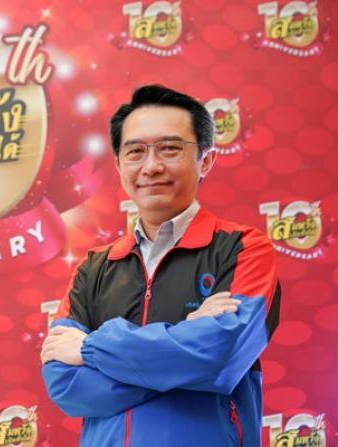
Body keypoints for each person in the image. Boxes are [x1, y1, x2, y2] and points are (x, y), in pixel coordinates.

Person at [40, 84, 281, 446]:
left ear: (205, 160)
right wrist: (184, 344)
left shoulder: (244, 249)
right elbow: (66, 385)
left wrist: (90, 348)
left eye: (170, 148)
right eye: (135, 151)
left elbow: (220, 360)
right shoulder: (93, 268)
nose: (151, 166)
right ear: (119, 164)